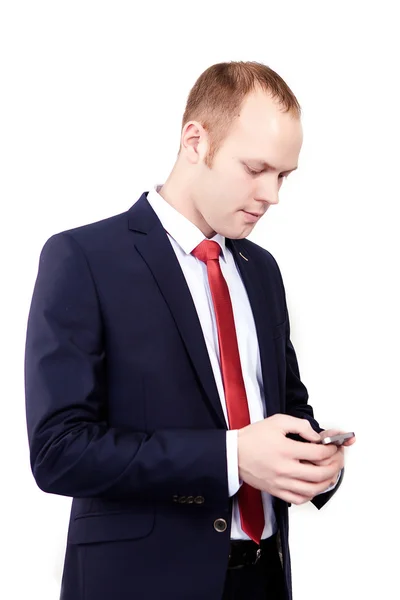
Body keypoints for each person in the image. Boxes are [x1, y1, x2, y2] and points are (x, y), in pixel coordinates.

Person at [24, 61, 355, 600]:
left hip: (263, 579)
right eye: (256, 168)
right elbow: (59, 451)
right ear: (195, 140)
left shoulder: (260, 269)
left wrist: (313, 457)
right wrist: (231, 457)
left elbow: (288, 408)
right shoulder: (83, 258)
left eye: (284, 176)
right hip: (141, 583)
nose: (272, 195)